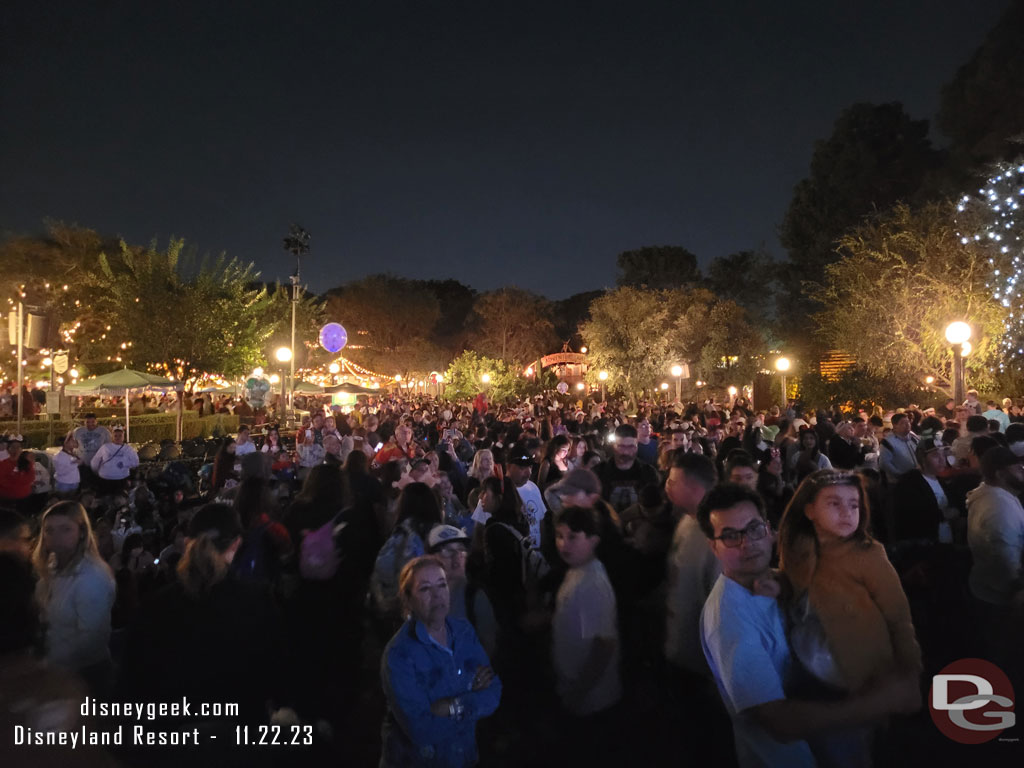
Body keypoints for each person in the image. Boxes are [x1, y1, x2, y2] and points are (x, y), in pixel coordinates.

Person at [698, 484, 919, 768]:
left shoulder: (780, 581)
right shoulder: (729, 619)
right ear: (712, 546)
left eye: (754, 529)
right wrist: (879, 703)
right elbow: (778, 721)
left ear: (768, 529)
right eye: (730, 536)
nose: (747, 543)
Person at [380, 556, 501, 767]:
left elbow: (494, 692)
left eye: (442, 585)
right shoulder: (399, 654)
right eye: (425, 589)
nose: (437, 596)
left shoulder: (463, 632)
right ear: (408, 600)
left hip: (464, 756)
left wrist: (451, 706)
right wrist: (471, 697)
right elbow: (421, 729)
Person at [32, 501, 116, 693]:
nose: (56, 537)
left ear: (82, 532)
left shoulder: (92, 577)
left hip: (84, 676)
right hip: (55, 668)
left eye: (65, 529)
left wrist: (48, 662)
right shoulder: (53, 567)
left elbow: (91, 640)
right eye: (49, 530)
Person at [552, 505, 621, 719]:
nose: (564, 544)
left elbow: (604, 644)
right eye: (559, 536)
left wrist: (579, 692)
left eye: (573, 537)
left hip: (593, 699)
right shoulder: (577, 571)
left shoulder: (591, 582)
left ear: (593, 540)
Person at [965, 446, 1024, 669]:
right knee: (1006, 657)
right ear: (1000, 473)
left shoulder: (996, 495)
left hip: (987, 588)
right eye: (1018, 468)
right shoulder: (1000, 508)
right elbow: (1006, 559)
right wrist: (1018, 588)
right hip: (1001, 598)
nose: (1023, 471)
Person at [664, 453, 720, 677]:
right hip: (678, 645)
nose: (667, 486)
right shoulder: (687, 519)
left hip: (700, 661)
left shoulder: (715, 536)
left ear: (694, 487)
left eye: (673, 481)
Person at [428, 524, 498, 657]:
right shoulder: (423, 596)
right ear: (431, 558)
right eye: (447, 551)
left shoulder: (474, 596)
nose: (457, 558)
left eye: (461, 550)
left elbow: (488, 646)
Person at [597, 424, 660, 514]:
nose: (626, 452)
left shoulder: (648, 473)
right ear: (614, 445)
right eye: (621, 446)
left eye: (631, 446)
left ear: (637, 446)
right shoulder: (599, 472)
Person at [505, 447, 547, 548]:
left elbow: (540, 519)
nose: (528, 473)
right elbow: (480, 530)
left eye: (530, 467)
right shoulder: (496, 491)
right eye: (522, 468)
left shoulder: (533, 487)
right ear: (509, 467)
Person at [90, 424, 139, 495]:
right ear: (112, 436)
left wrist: (125, 464)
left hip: (121, 479)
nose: (118, 438)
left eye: (120, 436)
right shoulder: (105, 447)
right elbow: (95, 460)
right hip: (105, 479)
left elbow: (136, 461)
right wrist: (96, 471)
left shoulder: (128, 449)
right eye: (115, 436)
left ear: (123, 437)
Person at [879, 413, 918, 483]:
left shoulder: (913, 437)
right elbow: (884, 463)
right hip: (899, 482)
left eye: (908, 422)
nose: (907, 425)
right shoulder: (888, 442)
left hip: (916, 478)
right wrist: (899, 474)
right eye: (903, 423)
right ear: (895, 425)